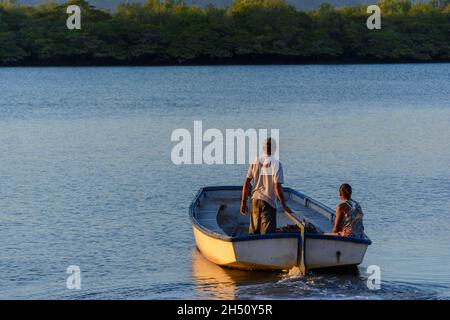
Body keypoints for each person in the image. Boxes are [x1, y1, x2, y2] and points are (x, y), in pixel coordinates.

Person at [240, 138, 292, 235]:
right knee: (267, 236)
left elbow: (247, 183)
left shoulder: (255, 161)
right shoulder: (276, 164)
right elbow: (277, 187)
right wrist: (284, 205)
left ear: (263, 148)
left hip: (255, 200)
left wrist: (243, 202)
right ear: (274, 149)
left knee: (253, 235)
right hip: (269, 203)